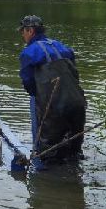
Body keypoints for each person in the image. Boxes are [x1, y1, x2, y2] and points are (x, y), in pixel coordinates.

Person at [18, 15, 86, 160]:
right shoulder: (62, 46)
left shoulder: (28, 53)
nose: (22, 35)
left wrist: (40, 102)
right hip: (77, 103)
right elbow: (74, 74)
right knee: (74, 152)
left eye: (22, 31)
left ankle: (48, 179)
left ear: (30, 31)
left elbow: (29, 84)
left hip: (53, 107)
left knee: (48, 155)